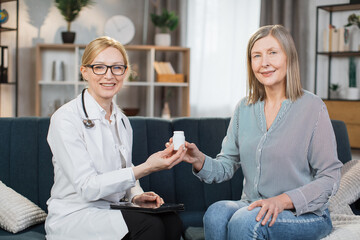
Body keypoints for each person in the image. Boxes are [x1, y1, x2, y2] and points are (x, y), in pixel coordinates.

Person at [172, 25, 343, 240]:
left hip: (302, 214)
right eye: (257, 56)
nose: (264, 63)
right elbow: (226, 166)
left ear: (288, 57)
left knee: (247, 219)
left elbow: (330, 177)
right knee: (216, 213)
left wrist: (282, 200)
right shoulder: (244, 108)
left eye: (272, 53)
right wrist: (198, 160)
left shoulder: (312, 107)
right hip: (252, 205)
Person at [45, 36, 186, 240]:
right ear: (84, 71)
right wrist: (146, 167)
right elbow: (87, 187)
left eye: (117, 68)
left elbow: (124, 167)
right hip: (75, 215)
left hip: (112, 209)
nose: (109, 75)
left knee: (171, 220)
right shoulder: (65, 119)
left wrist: (135, 195)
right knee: (150, 226)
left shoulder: (122, 120)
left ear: (125, 72)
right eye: (99, 67)